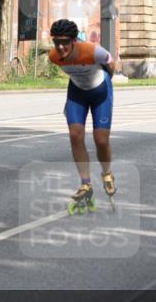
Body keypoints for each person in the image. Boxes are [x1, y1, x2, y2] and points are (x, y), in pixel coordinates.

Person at [48, 18, 117, 209]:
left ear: (74, 41)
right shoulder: (54, 57)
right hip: (77, 92)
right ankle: (86, 183)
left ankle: (107, 173)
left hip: (100, 91)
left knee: (101, 140)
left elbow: (111, 64)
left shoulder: (92, 51)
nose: (60, 47)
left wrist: (106, 81)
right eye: (56, 42)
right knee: (75, 135)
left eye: (65, 42)